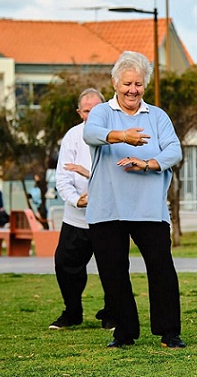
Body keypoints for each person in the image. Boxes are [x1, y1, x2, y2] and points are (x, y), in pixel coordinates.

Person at [83, 51, 185, 349]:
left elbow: (174, 150)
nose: (132, 90)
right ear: (115, 83)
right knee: (113, 271)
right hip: (107, 207)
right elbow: (91, 133)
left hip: (148, 206)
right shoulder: (102, 112)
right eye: (127, 83)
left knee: (161, 268)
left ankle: (169, 333)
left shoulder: (157, 116)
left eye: (138, 84)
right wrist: (122, 136)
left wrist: (149, 164)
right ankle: (124, 333)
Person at [49, 88, 114, 331]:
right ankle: (72, 312)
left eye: (97, 109)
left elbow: (117, 174)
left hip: (108, 216)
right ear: (80, 113)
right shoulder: (72, 137)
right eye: (87, 110)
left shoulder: (114, 136)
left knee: (112, 267)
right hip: (76, 218)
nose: (92, 115)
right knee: (65, 264)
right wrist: (78, 200)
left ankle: (112, 314)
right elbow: (63, 178)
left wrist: (95, 186)